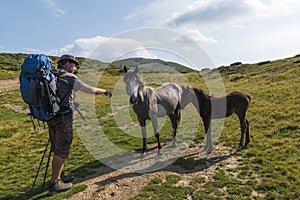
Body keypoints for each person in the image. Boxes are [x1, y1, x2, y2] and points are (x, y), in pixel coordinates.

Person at [47, 54, 112, 196]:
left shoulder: (51, 75)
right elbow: (90, 90)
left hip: (50, 116)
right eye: (74, 65)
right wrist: (105, 91)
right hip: (63, 116)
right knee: (62, 148)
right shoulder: (68, 77)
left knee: (56, 146)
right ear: (67, 65)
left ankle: (60, 175)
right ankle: (55, 184)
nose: (75, 68)